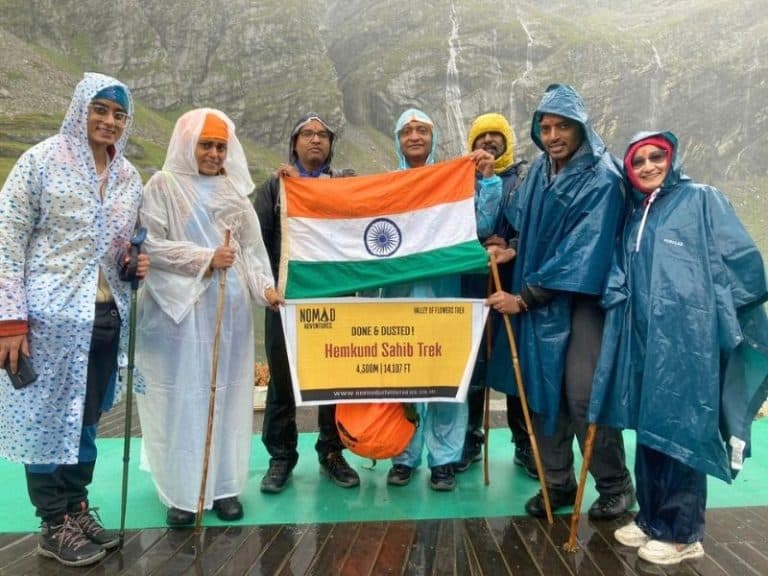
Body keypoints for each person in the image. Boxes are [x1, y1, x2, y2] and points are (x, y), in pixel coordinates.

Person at [589, 131, 768, 565]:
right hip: (648, 340)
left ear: (672, 158)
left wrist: (713, 316)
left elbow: (743, 263)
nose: (649, 166)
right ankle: (653, 518)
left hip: (691, 340)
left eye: (657, 157)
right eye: (639, 161)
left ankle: (684, 532)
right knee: (653, 427)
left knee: (685, 429)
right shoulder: (636, 213)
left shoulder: (702, 199)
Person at [0, 73, 148, 567]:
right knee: (47, 419)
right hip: (47, 322)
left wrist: (132, 263)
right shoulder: (40, 162)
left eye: (118, 114)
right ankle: (52, 522)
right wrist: (10, 320)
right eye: (100, 109)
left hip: (105, 316)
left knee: (85, 419)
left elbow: (122, 249)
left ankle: (77, 506)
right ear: (80, 108)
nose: (109, 121)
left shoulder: (129, 178)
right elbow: (7, 242)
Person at [486, 84, 635, 519]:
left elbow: (582, 253)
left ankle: (614, 485)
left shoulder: (603, 178)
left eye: (562, 126)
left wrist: (525, 298)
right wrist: (512, 246)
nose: (553, 136)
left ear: (580, 126)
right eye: (546, 127)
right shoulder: (538, 171)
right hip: (536, 298)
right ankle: (558, 483)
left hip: (580, 302)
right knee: (539, 388)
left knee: (584, 393)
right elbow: (526, 223)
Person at [135, 109, 283, 526]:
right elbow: (152, 247)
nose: (214, 153)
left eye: (220, 146)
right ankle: (183, 493)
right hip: (181, 311)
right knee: (185, 395)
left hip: (230, 311)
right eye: (206, 145)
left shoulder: (234, 193)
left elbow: (252, 253)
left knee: (228, 393)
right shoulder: (163, 186)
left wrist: (265, 289)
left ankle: (223, 487)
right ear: (188, 145)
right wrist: (205, 257)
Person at [383, 108, 501, 491]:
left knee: (446, 378)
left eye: (422, 129)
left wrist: (487, 181)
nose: (415, 136)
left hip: (446, 295)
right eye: (407, 131)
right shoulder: (384, 187)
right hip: (398, 299)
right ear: (398, 140)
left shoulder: (455, 180)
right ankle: (404, 456)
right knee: (403, 380)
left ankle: (444, 460)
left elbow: (480, 226)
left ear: (433, 138)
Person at [254, 113, 360, 493]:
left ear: (331, 145)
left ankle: (331, 452)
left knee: (334, 381)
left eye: (323, 135)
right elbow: (258, 242)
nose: (315, 140)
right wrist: (267, 287)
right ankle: (281, 456)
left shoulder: (345, 184)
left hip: (335, 300)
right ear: (294, 142)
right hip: (286, 302)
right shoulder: (273, 189)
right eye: (307, 134)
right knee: (282, 381)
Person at [455, 112, 535, 477]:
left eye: (495, 135)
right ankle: (470, 439)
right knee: (472, 361)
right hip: (471, 279)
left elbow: (536, 222)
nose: (488, 141)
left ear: (507, 141)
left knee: (515, 360)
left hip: (513, 280)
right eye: (481, 136)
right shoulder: (459, 178)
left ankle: (524, 444)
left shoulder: (526, 177)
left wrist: (514, 243)